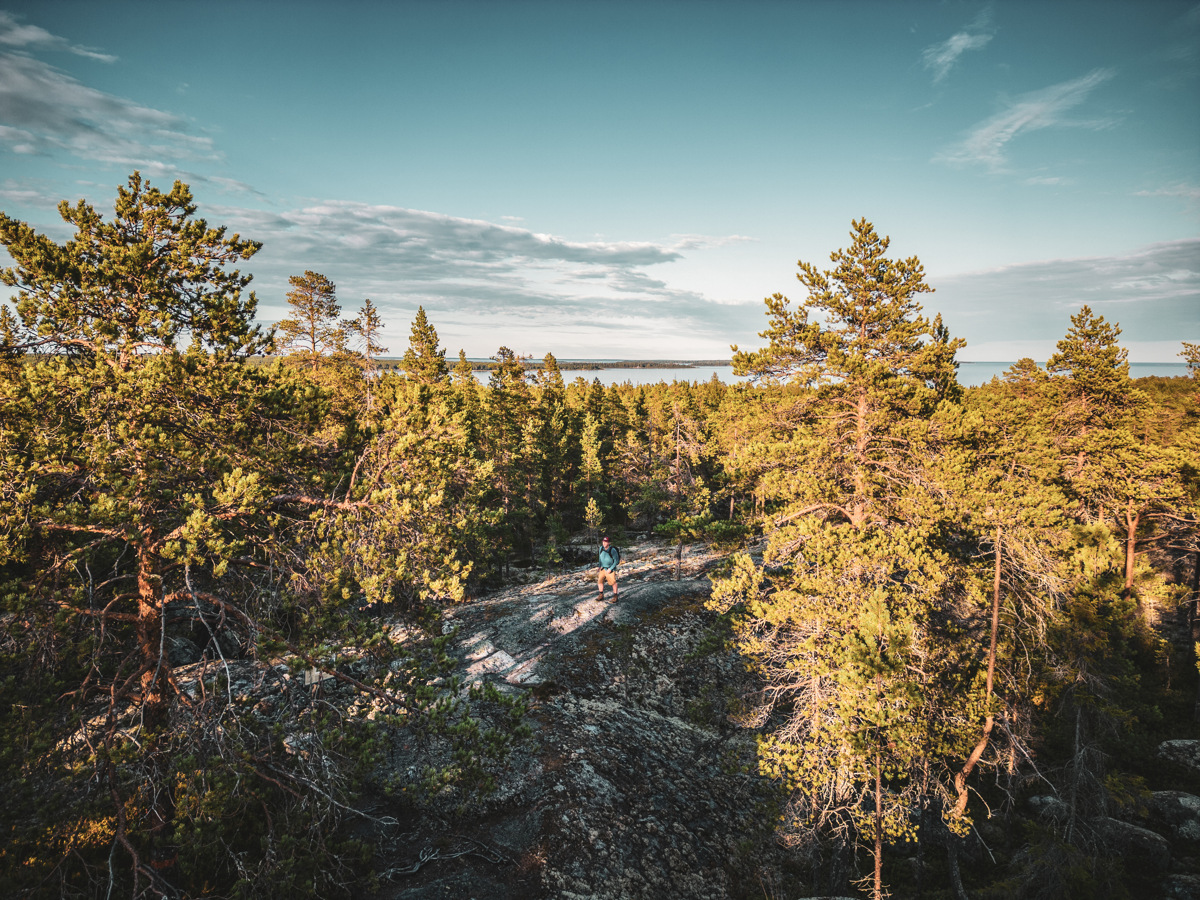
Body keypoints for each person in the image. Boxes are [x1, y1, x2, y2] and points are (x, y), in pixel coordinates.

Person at [597, 535, 621, 603]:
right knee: (600, 581)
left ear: (609, 543)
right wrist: (599, 566)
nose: (604, 543)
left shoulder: (612, 550)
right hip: (602, 568)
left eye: (606, 542)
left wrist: (610, 569)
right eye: (603, 542)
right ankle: (601, 595)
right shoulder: (601, 548)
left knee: (613, 582)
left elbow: (616, 561)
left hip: (610, 569)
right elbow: (600, 558)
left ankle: (615, 596)